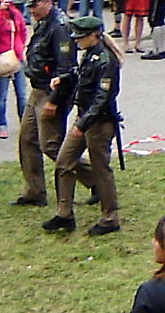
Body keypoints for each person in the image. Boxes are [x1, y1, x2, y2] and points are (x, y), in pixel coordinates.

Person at [11, 0, 93, 208]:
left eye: (35, 5)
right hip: (37, 89)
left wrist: (54, 101)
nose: (31, 10)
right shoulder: (44, 23)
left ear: (48, 2)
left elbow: (66, 70)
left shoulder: (60, 27)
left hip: (52, 93)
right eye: (29, 6)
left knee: (51, 145)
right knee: (27, 140)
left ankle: (95, 179)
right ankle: (35, 191)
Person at [43, 16, 124, 236]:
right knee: (63, 162)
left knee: (101, 170)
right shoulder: (90, 55)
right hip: (85, 119)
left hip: (98, 123)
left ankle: (110, 218)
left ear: (93, 35)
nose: (76, 41)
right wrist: (65, 78)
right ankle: (64, 213)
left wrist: (83, 123)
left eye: (80, 37)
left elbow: (103, 97)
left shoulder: (106, 60)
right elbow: (81, 77)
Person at [0, 0, 28, 140]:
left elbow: (22, 30)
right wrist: (0, 13)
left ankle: (25, 124)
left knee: (21, 94)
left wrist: (20, 48)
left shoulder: (15, 15)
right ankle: (2, 125)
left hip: (17, 58)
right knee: (2, 95)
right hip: (2, 59)